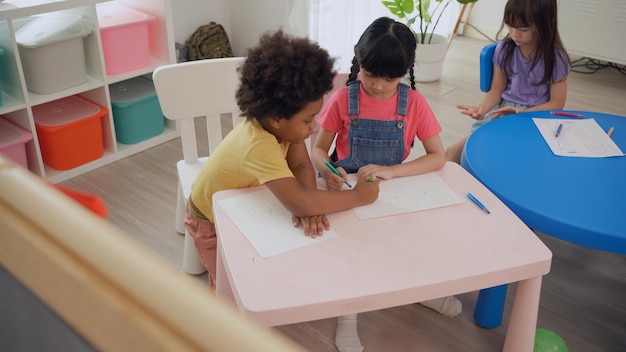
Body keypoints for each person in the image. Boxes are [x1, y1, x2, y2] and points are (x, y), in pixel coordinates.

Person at [184, 30, 380, 289]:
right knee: (231, 288)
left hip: (244, 203)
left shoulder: (281, 125)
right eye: (308, 119)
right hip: (210, 220)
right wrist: (358, 197)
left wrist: (311, 205)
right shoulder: (258, 144)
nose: (315, 125)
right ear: (278, 117)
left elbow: (300, 165)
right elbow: (299, 202)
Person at [310, 17, 455, 352]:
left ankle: (424, 292)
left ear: (405, 71)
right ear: (359, 61)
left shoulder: (414, 103)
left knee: (415, 242)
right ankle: (349, 315)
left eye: (390, 78)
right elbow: (318, 150)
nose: (378, 85)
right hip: (345, 189)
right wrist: (329, 170)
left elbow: (437, 157)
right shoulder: (343, 99)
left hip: (391, 188)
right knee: (353, 252)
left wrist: (393, 172)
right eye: (371, 74)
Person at [445, 0, 571, 163]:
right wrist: (481, 109)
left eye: (523, 29)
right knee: (451, 154)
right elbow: (495, 91)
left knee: (505, 159)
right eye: (510, 26)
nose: (514, 33)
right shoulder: (505, 49)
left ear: (544, 24)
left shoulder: (556, 58)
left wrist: (522, 113)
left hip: (536, 116)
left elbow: (556, 104)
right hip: (503, 111)